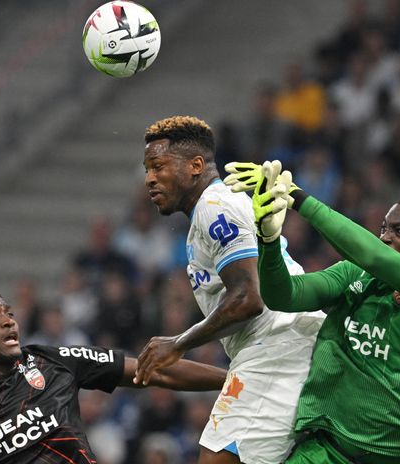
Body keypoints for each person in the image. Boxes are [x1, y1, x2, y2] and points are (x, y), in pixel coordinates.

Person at [228, 160, 400, 464]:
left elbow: (374, 255)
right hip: (328, 451)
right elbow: (284, 296)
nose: (385, 237)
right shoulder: (354, 273)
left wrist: (298, 199)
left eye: (399, 231)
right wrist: (268, 241)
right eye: (383, 228)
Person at [135, 115, 324, 464]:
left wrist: (178, 344)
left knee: (216, 457)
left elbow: (248, 298)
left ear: (195, 166)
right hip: (283, 346)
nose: (149, 179)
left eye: (158, 166)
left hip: (278, 346)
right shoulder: (210, 210)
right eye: (147, 169)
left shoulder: (214, 207)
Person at [0, 286, 227, 464]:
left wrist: (230, 379)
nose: (9, 320)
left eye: (8, 312)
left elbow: (151, 371)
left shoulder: (50, 361)